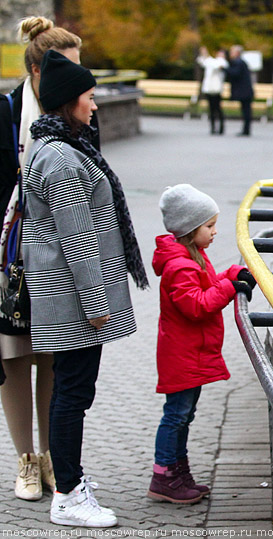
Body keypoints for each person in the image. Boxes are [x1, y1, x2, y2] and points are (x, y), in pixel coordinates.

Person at [24, 50, 149, 527]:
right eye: (90, 98)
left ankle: (71, 482)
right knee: (73, 393)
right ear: (67, 101)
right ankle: (70, 495)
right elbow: (76, 237)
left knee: (72, 391)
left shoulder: (58, 146)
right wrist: (97, 305)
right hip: (72, 298)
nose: (95, 106)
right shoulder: (60, 158)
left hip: (67, 296)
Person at [0, 15, 86, 503]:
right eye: (66, 69)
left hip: (56, 260)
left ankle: (54, 456)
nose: (78, 82)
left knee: (55, 356)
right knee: (14, 359)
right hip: (10, 261)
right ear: (36, 69)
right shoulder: (5, 113)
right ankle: (26, 460)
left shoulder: (77, 118)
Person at [148, 184, 254, 504]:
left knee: (185, 414)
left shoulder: (195, 258)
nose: (215, 232)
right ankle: (164, 475)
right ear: (190, 229)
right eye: (209, 226)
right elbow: (196, 305)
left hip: (189, 355)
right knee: (177, 415)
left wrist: (234, 273)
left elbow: (209, 285)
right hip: (182, 357)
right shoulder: (179, 267)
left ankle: (178, 471)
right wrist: (230, 287)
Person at [196, 47, 228, 135]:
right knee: (211, 109)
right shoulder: (212, 61)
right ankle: (213, 127)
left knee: (218, 109)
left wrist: (207, 56)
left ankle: (221, 127)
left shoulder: (222, 62)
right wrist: (204, 55)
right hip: (209, 89)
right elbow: (203, 62)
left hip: (216, 89)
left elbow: (214, 64)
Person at [226, 45, 254, 137]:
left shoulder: (238, 63)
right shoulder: (241, 62)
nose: (231, 54)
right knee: (246, 110)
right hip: (246, 91)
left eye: (232, 52)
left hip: (244, 91)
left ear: (237, 53)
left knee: (246, 111)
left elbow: (235, 74)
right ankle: (246, 129)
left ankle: (246, 130)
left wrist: (225, 69)